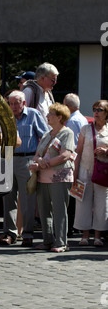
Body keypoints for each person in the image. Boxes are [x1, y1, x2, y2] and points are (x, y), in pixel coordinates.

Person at [0, 90, 48, 247]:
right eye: (11, 103)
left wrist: (37, 157)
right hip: (7, 158)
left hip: (27, 160)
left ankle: (27, 234)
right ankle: (9, 233)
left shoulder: (33, 115)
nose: (13, 106)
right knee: (7, 198)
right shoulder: (5, 116)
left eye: (16, 103)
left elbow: (45, 137)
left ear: (24, 103)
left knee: (28, 199)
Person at [29, 103, 76, 253]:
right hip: (43, 177)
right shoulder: (46, 134)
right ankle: (47, 240)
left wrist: (44, 164)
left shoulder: (67, 133)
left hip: (60, 176)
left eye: (51, 114)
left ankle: (61, 242)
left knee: (59, 209)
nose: (47, 116)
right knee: (43, 210)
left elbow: (65, 155)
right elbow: (37, 154)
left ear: (60, 117)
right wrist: (38, 162)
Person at [73, 100, 108, 247]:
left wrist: (107, 151)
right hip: (84, 169)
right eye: (94, 109)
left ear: (106, 113)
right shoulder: (85, 129)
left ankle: (98, 236)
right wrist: (74, 174)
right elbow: (78, 152)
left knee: (102, 204)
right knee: (82, 202)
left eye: (100, 109)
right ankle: (85, 236)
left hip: (103, 172)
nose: (96, 112)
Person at [63, 93, 88, 235]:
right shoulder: (82, 118)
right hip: (81, 159)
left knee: (72, 195)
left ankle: (71, 225)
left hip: (74, 160)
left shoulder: (72, 121)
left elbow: (73, 144)